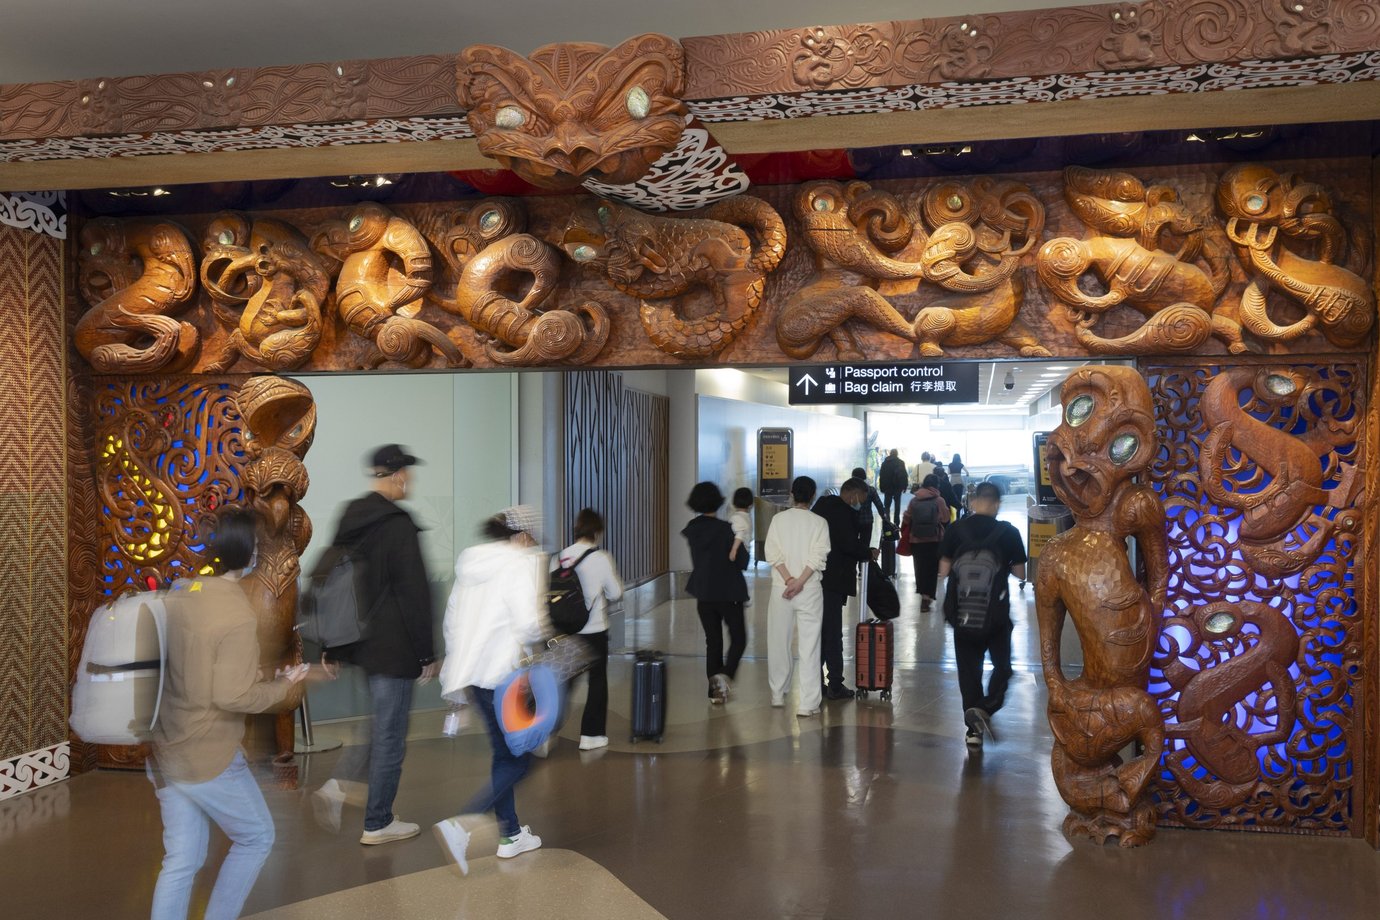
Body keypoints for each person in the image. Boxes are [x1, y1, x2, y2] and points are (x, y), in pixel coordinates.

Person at [150, 507, 309, 920]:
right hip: (209, 754)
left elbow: (195, 664)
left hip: (167, 748)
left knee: (182, 860)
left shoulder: (187, 592)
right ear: (249, 551)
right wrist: (285, 687)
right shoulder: (237, 614)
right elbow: (234, 696)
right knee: (257, 837)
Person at [319, 444, 436, 846]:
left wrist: (331, 646)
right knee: (390, 735)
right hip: (395, 647)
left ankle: (340, 786)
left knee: (379, 726)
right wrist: (426, 654)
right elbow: (414, 594)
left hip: (359, 644)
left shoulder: (351, 517)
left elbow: (331, 583)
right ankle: (378, 821)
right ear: (399, 475)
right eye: (408, 475)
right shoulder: (398, 526)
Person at [434, 506, 547, 874]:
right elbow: (529, 625)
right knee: (521, 759)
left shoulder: (470, 567)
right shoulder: (517, 566)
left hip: (478, 678)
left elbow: (452, 622)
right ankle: (464, 824)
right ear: (520, 537)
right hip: (506, 676)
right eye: (531, 539)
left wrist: (458, 672)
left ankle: (511, 834)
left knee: (503, 754)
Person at [938, 480, 1027, 749]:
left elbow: (943, 571)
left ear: (973, 502)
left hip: (962, 615)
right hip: (996, 617)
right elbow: (1021, 573)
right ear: (998, 504)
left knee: (969, 672)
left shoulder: (955, 530)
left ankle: (973, 731)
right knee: (1002, 668)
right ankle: (988, 707)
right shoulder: (1008, 533)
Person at [553, 508, 624, 750]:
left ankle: (544, 734)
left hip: (565, 630)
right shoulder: (601, 558)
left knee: (563, 682)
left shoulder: (560, 556)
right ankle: (591, 736)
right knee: (597, 681)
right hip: (594, 630)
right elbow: (615, 593)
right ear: (596, 531)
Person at [763, 476, 831, 717]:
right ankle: (808, 704)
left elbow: (772, 553)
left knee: (778, 641)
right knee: (810, 645)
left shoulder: (778, 520)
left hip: (781, 588)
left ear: (792, 493)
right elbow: (818, 557)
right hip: (809, 589)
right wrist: (800, 582)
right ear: (813, 496)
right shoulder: (820, 522)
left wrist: (789, 580)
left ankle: (777, 693)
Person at [683, 482, 750, 703]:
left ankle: (715, 694)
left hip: (704, 593)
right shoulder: (725, 529)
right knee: (739, 638)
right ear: (718, 502)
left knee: (713, 642)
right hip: (729, 592)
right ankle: (725, 675)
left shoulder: (692, 529)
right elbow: (741, 561)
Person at [811, 478, 872, 700]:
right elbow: (847, 544)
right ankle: (835, 684)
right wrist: (867, 552)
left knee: (819, 633)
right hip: (834, 579)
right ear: (853, 494)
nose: (861, 505)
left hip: (814, 578)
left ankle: (816, 682)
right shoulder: (842, 513)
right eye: (861, 500)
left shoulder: (821, 508)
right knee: (832, 632)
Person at [903, 474, 950, 612]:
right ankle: (927, 598)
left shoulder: (914, 500)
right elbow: (946, 518)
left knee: (920, 568)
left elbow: (906, 518)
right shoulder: (939, 500)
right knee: (932, 569)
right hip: (934, 540)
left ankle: (923, 594)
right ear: (937, 486)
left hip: (916, 540)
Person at [878, 449, 908, 523]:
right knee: (897, 506)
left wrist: (881, 487)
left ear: (890, 454)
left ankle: (887, 522)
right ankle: (896, 523)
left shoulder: (884, 463)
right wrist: (905, 486)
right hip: (898, 487)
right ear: (897, 454)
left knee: (887, 505)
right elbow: (904, 476)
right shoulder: (901, 463)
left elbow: (881, 476)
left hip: (887, 487)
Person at [728, 487, 754, 565]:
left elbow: (740, 534)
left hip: (738, 552)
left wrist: (733, 550)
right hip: (745, 551)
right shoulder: (747, 516)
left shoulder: (736, 517)